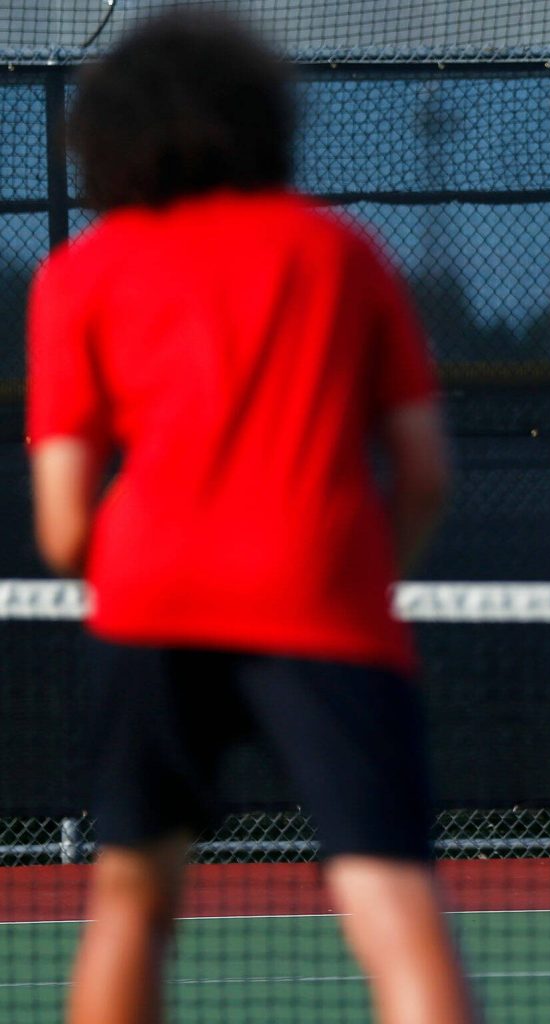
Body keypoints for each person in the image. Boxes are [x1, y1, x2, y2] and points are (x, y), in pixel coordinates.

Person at [27, 12, 475, 1024]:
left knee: (128, 906)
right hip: (324, 604)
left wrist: (159, 565)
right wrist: (349, 572)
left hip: (149, 604)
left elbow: (62, 527)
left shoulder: (77, 277)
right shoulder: (343, 255)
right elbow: (425, 473)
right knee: (396, 907)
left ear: (108, 131)